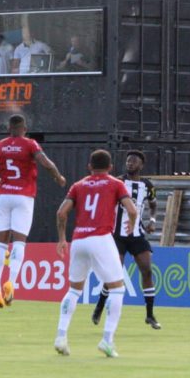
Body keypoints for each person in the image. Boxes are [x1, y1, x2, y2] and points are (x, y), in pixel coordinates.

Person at [54, 149, 138, 358]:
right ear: (110, 167)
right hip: (101, 238)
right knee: (117, 289)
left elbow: (61, 212)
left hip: (79, 239)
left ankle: (61, 336)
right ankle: (107, 340)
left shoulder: (78, 185)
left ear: (89, 167)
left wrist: (62, 238)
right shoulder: (115, 183)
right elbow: (132, 209)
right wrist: (131, 225)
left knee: (73, 290)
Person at [0, 114, 66, 308]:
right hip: (24, 197)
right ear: (24, 128)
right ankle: (12, 283)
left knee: (1, 244)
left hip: (4, 196)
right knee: (19, 242)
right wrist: (58, 177)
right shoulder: (30, 144)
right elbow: (47, 164)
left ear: (9, 128)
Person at [91, 150, 162, 330]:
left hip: (137, 235)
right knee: (114, 274)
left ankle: (150, 315)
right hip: (117, 236)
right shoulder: (117, 182)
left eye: (134, 161)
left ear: (141, 165)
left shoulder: (147, 185)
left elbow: (153, 204)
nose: (130, 163)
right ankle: (100, 306)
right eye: (128, 161)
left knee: (147, 270)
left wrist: (152, 220)